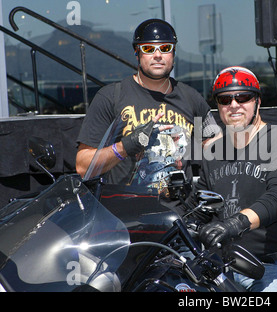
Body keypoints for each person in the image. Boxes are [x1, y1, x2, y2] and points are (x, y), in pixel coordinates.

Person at [186, 66, 277, 292]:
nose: (234, 105)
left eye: (243, 97)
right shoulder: (213, 151)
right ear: (217, 105)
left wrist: (236, 223)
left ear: (257, 101)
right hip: (225, 266)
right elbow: (200, 207)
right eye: (225, 99)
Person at [76, 19, 218, 198]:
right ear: (137, 53)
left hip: (180, 215)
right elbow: (83, 167)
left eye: (165, 48)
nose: (157, 55)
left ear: (173, 52)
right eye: (149, 49)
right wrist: (126, 146)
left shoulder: (191, 98)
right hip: (126, 216)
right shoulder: (111, 97)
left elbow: (218, 152)